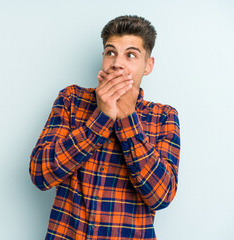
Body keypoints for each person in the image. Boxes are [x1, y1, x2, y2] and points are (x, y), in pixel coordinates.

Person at [29, 15, 180, 240]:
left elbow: (161, 196)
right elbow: (40, 174)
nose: (117, 63)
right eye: (111, 52)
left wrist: (128, 117)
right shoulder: (71, 99)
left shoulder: (164, 117)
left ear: (148, 65)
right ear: (103, 58)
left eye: (131, 55)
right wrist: (100, 119)